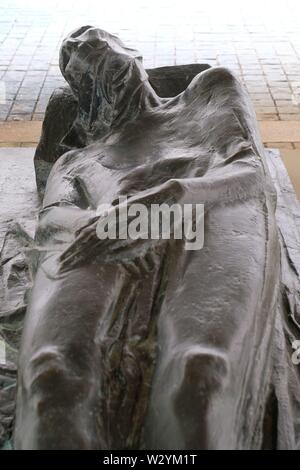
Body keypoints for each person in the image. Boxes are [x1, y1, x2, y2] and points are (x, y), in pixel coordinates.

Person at [14, 26, 282, 449]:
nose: (89, 57)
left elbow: (248, 171)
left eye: (95, 43)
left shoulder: (209, 91)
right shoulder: (78, 161)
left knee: (199, 376)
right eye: (80, 69)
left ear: (133, 54)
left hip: (210, 213)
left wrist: (174, 194)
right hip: (106, 237)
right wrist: (112, 222)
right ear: (81, 98)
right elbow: (55, 218)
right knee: (52, 378)